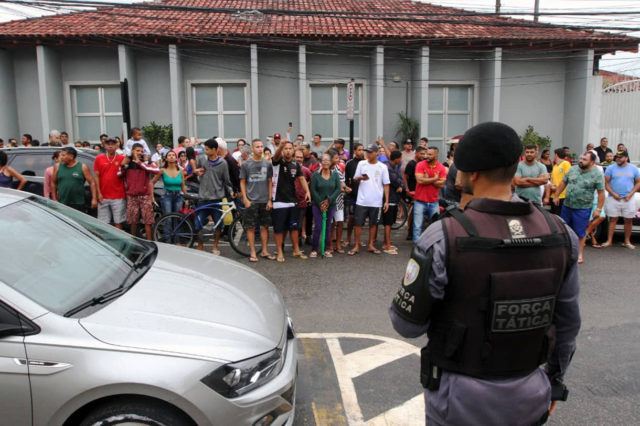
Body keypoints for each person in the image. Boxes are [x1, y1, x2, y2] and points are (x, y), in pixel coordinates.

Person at [390, 121, 581, 426]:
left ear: (471, 174)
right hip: (530, 392)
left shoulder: (442, 236)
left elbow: (407, 324)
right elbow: (568, 323)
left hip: (460, 397)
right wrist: (555, 383)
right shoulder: (561, 233)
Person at [554, 151, 605, 264]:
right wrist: (556, 195)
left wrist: (598, 209)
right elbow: (563, 182)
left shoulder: (597, 174)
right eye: (581, 158)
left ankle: (579, 254)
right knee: (564, 230)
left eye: (585, 159)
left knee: (580, 233)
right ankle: (565, 253)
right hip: (567, 206)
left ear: (592, 162)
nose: (581, 160)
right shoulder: (573, 169)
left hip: (583, 208)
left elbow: (601, 193)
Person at [271, 140, 311, 262]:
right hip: (279, 201)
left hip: (293, 201)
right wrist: (281, 146)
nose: (288, 150)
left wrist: (307, 192)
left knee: (294, 228)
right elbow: (276, 155)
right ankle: (279, 252)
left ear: (293, 150)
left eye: (290, 148)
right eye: (286, 148)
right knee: (279, 229)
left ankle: (296, 250)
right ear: (283, 150)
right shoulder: (277, 162)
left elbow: (302, 179)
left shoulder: (295, 165)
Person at [193, 138, 234, 255]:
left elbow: (226, 180)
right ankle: (200, 244)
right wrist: (197, 174)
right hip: (203, 197)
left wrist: (231, 191)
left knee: (218, 224)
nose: (205, 151)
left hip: (217, 198)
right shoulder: (201, 159)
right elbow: (197, 174)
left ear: (214, 150)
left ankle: (215, 246)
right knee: (198, 223)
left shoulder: (223, 163)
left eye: (207, 149)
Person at [348, 144, 390, 255]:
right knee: (358, 223)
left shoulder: (383, 167)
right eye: (367, 151)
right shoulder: (362, 164)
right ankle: (356, 245)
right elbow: (355, 179)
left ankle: (371, 245)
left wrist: (386, 201)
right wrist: (361, 178)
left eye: (370, 152)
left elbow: (386, 184)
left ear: (377, 153)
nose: (368, 154)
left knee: (373, 224)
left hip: (376, 201)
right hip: (362, 200)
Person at [239, 139, 275, 262]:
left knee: (265, 227)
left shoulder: (268, 164)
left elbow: (270, 182)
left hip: (265, 200)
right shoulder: (246, 164)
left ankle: (264, 251)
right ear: (252, 149)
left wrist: (270, 200)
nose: (260, 149)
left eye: (261, 146)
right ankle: (253, 253)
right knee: (251, 228)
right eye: (257, 147)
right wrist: (245, 198)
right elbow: (242, 182)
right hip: (251, 200)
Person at [118, 143, 159, 239]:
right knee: (132, 221)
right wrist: (123, 165)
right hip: (132, 195)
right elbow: (119, 174)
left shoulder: (146, 162)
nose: (140, 153)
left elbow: (156, 170)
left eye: (141, 151)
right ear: (132, 151)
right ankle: (133, 240)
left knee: (148, 220)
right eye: (137, 151)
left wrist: (140, 162)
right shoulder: (128, 162)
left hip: (145, 195)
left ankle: (150, 241)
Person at [601, 150, 640, 249]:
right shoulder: (610, 168)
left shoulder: (634, 169)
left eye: (620, 157)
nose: (618, 159)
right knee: (613, 219)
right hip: (613, 198)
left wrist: (631, 194)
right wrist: (613, 194)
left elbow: (638, 182)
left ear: (626, 158)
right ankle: (609, 241)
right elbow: (606, 183)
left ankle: (627, 241)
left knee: (628, 220)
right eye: (617, 157)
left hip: (629, 198)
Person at [309, 153, 342, 258]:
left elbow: (338, 189)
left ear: (330, 162)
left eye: (328, 160)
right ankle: (314, 249)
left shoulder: (335, 174)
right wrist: (320, 203)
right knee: (318, 227)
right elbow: (313, 190)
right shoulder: (316, 174)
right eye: (324, 160)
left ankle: (327, 249)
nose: (326, 162)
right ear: (321, 162)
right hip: (317, 205)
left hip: (331, 205)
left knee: (328, 227)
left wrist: (329, 200)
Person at [151, 150, 187, 243]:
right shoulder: (162, 170)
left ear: (176, 158)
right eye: (169, 155)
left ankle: (177, 241)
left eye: (173, 155)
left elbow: (183, 185)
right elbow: (152, 182)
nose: (171, 157)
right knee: (168, 219)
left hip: (179, 196)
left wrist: (186, 198)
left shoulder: (181, 170)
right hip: (167, 196)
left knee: (177, 219)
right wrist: (152, 197)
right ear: (166, 158)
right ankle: (168, 242)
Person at [412, 146, 446, 243]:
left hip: (434, 201)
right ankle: (417, 245)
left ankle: (432, 244)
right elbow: (419, 180)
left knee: (435, 226)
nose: (426, 156)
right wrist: (435, 179)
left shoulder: (441, 167)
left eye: (430, 154)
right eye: (426, 153)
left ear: (436, 155)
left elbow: (442, 184)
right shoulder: (420, 165)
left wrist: (427, 179)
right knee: (417, 226)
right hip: (420, 200)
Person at [93, 138, 126, 229]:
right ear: (104, 146)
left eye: (113, 144)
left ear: (117, 146)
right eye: (108, 144)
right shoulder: (99, 158)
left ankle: (119, 241)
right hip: (103, 196)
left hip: (118, 196)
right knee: (103, 223)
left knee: (118, 222)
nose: (110, 146)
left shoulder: (122, 158)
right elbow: (96, 176)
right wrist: (98, 193)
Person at [51, 147, 97, 212]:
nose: (61, 157)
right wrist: (54, 199)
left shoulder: (82, 167)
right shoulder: (57, 166)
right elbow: (53, 183)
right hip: (62, 202)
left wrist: (94, 198)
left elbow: (92, 183)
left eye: (63, 155)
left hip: (78, 203)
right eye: (61, 155)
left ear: (71, 157)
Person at [382, 150, 404, 254]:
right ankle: (387, 245)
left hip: (394, 198)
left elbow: (401, 180)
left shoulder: (394, 167)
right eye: (400, 158)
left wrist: (401, 185)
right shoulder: (387, 167)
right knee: (388, 223)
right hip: (389, 198)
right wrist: (399, 185)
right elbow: (394, 180)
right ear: (396, 159)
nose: (401, 160)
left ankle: (386, 242)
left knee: (390, 222)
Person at [404, 146, 427, 240]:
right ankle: (409, 232)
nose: (423, 155)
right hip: (412, 192)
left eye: (424, 154)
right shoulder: (411, 164)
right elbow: (405, 177)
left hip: (422, 192)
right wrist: (407, 189)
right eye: (421, 153)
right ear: (416, 153)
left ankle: (417, 232)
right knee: (412, 213)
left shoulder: (424, 164)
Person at [344, 143, 365, 247]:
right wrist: (348, 188)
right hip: (353, 195)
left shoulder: (367, 163)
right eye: (359, 150)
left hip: (365, 195)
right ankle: (348, 238)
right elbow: (345, 178)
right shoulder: (350, 163)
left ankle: (358, 239)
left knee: (360, 219)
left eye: (363, 149)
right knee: (351, 218)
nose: (361, 151)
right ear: (355, 151)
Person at [294, 149, 313, 246]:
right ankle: (296, 240)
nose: (299, 159)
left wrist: (307, 191)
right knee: (294, 222)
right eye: (297, 157)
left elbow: (312, 181)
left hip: (303, 200)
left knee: (303, 220)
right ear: (294, 157)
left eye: (301, 157)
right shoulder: (289, 169)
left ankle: (304, 238)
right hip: (291, 200)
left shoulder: (306, 170)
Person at [544, 148, 572, 215]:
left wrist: (558, 188)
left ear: (556, 155)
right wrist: (551, 185)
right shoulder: (555, 166)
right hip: (553, 196)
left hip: (562, 196)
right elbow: (552, 179)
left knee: (560, 217)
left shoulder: (566, 163)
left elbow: (569, 179)